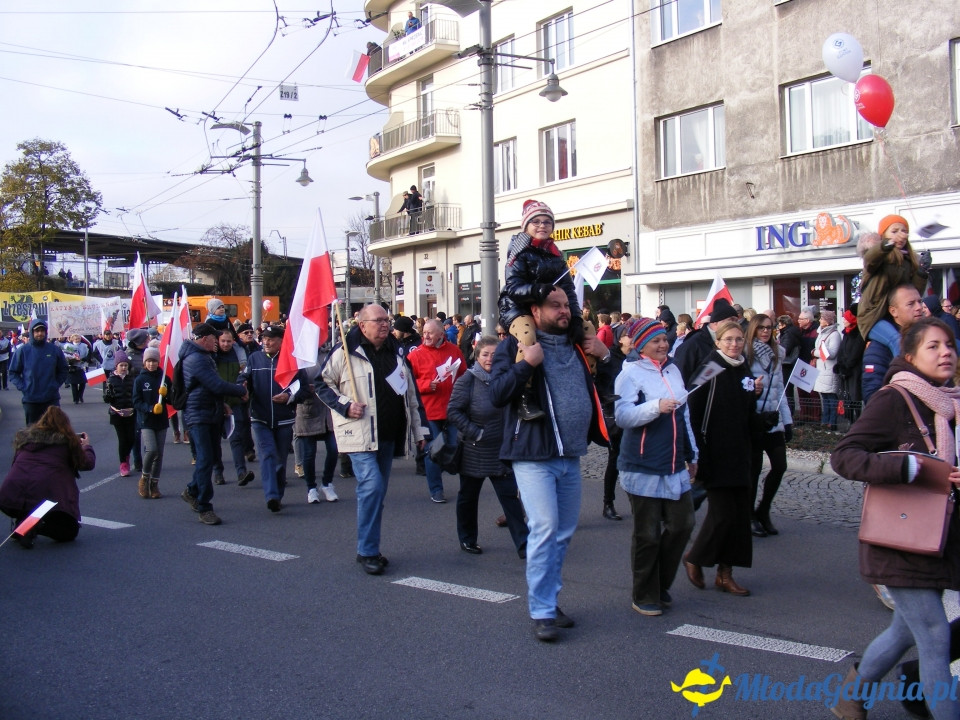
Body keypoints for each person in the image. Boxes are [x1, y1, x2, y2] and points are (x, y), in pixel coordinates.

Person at [829, 316, 960, 720]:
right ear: (909, 356)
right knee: (935, 639)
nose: (946, 353)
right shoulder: (894, 399)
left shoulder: (952, 402)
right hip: (901, 539)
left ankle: (852, 696)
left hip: (942, 537)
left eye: (950, 345)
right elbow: (845, 457)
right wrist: (906, 467)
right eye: (933, 346)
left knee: (905, 631)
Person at [489, 287, 609, 642]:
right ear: (534, 311)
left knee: (562, 534)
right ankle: (541, 610)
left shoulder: (577, 343)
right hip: (532, 454)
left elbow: (615, 383)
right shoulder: (515, 345)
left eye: (565, 305)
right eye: (553, 306)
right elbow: (497, 394)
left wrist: (606, 356)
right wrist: (527, 363)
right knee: (544, 528)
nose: (563, 311)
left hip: (571, 455)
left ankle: (550, 601)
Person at [318, 304, 427, 575]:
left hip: (389, 433)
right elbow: (322, 384)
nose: (384, 325)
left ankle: (368, 548)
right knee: (372, 486)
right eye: (377, 320)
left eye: (386, 320)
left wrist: (420, 433)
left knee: (377, 494)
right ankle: (367, 551)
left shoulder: (397, 351)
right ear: (361, 324)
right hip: (360, 433)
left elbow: (410, 394)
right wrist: (344, 405)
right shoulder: (345, 350)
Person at [614, 318, 697, 616]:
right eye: (656, 341)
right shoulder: (630, 374)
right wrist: (655, 407)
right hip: (642, 463)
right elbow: (622, 417)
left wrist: (693, 454)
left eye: (664, 339)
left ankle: (660, 582)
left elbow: (684, 415)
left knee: (683, 524)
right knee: (647, 533)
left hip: (674, 461)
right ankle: (644, 592)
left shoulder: (673, 369)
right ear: (640, 344)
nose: (663, 344)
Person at [683, 320, 761, 597]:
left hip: (741, 450)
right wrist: (696, 453)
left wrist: (762, 420)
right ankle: (695, 556)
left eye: (739, 339)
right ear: (717, 342)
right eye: (728, 339)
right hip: (714, 452)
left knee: (739, 516)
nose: (734, 344)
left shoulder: (743, 367)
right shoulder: (709, 368)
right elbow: (692, 412)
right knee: (722, 514)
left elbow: (746, 410)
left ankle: (725, 573)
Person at [497, 199, 583, 422]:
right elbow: (513, 287)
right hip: (517, 308)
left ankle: (597, 384)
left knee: (586, 328)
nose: (542, 225)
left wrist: (575, 316)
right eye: (536, 221)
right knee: (527, 335)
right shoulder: (519, 253)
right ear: (526, 225)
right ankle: (525, 396)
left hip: (548, 309)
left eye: (547, 221)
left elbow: (568, 290)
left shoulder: (556, 254)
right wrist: (537, 290)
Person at [447, 336, 529, 558]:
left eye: (495, 355)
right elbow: (453, 411)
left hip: (501, 450)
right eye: (486, 354)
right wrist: (476, 432)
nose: (490, 359)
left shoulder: (505, 378)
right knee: (468, 497)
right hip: (475, 449)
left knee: (510, 499)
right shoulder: (468, 380)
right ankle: (467, 539)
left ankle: (524, 544)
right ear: (477, 355)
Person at [179, 323, 249, 526]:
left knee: (208, 459)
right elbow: (215, 384)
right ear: (204, 339)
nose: (217, 342)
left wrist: (223, 403)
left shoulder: (204, 356)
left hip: (208, 411)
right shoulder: (196, 358)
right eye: (214, 338)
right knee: (205, 459)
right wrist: (239, 390)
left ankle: (192, 490)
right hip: (198, 414)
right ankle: (204, 506)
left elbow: (211, 387)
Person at [238, 325, 310, 513]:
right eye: (264, 339)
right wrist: (243, 390)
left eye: (271, 339)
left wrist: (289, 398)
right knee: (267, 454)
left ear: (281, 341)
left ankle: (278, 493)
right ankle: (271, 495)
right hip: (260, 418)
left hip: (284, 419)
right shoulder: (254, 358)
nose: (267, 342)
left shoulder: (292, 361)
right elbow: (243, 380)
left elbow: (304, 389)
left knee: (279, 459)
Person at [0, 407, 95, 548]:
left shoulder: (24, 439)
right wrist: (86, 447)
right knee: (69, 532)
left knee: (30, 499)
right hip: (45, 496)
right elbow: (87, 464)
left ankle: (23, 525)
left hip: (9, 495)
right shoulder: (67, 442)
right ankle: (35, 526)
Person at [407, 319, 466, 503]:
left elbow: (464, 375)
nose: (426, 336)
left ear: (441, 334)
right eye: (424, 332)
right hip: (428, 411)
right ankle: (436, 489)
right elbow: (406, 383)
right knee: (433, 451)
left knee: (453, 447)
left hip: (451, 409)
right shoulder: (415, 355)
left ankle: (441, 468)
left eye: (430, 333)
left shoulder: (454, 351)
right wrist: (426, 385)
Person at [744, 314, 792, 538]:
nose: (765, 331)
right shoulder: (746, 353)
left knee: (780, 465)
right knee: (753, 471)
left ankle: (763, 510)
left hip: (773, 419)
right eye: (761, 328)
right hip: (754, 420)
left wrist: (787, 421)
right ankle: (749, 515)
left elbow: (781, 389)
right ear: (753, 329)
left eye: (769, 328)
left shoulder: (777, 354)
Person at [857, 215, 930, 347]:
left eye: (904, 231)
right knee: (898, 342)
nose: (900, 235)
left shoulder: (909, 259)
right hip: (874, 316)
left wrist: (921, 271)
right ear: (884, 235)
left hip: (898, 316)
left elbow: (912, 293)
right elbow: (870, 261)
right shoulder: (879, 255)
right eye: (894, 231)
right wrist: (886, 245)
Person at [595, 317, 640, 521]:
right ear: (620, 339)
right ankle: (608, 503)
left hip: (634, 415)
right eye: (629, 335)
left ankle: (639, 501)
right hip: (613, 416)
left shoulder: (638, 358)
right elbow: (602, 385)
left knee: (634, 460)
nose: (632, 339)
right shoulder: (609, 358)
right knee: (615, 460)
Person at [862, 284, 925, 405]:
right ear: (893, 311)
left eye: (920, 302)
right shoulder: (878, 348)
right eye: (911, 304)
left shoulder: (927, 337)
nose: (919, 307)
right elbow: (872, 396)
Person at [294, 358, 339, 504]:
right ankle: (311, 488)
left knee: (333, 449)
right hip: (308, 410)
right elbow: (290, 383)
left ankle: (327, 483)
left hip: (327, 409)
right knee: (309, 453)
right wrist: (305, 388)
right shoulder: (299, 356)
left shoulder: (328, 353)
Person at [9, 319, 69, 425]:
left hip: (51, 399)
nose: (40, 333)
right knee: (33, 433)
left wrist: (55, 384)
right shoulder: (22, 351)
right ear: (32, 332)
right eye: (37, 331)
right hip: (31, 400)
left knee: (54, 431)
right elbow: (13, 373)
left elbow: (63, 369)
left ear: (46, 332)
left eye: (42, 330)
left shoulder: (54, 350)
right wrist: (24, 387)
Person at [215, 330, 254, 486]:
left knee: (236, 438)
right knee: (214, 441)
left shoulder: (239, 355)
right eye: (223, 341)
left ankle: (241, 472)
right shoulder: (213, 357)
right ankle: (218, 472)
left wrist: (244, 389)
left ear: (233, 342)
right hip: (216, 403)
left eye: (228, 341)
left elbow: (244, 376)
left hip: (235, 402)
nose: (225, 344)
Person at [674, 299, 740, 385]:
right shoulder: (692, 345)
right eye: (731, 320)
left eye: (736, 320)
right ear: (716, 322)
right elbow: (680, 379)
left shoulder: (737, 344)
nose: (735, 324)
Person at [132, 347, 168, 499]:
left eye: (154, 361)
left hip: (161, 421)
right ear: (144, 362)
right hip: (146, 420)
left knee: (159, 454)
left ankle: (154, 484)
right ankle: (144, 477)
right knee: (151, 449)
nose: (152, 364)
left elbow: (172, 398)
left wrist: (166, 393)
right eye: (149, 361)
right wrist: (150, 408)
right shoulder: (140, 379)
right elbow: (136, 401)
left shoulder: (164, 377)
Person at [104, 351, 136, 477]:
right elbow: (106, 399)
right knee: (122, 439)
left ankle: (126, 455)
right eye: (121, 365)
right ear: (116, 366)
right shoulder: (111, 379)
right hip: (117, 413)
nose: (123, 368)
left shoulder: (132, 379)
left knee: (131, 438)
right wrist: (108, 395)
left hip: (131, 412)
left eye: (125, 365)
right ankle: (123, 463)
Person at [834, 308, 866, 424]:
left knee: (855, 396)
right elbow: (842, 351)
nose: (843, 321)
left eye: (845, 318)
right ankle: (849, 420)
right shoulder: (846, 334)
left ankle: (858, 420)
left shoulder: (858, 335)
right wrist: (840, 364)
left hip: (854, 371)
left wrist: (847, 366)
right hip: (845, 371)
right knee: (846, 396)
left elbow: (856, 353)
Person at [814, 310, 842, 430]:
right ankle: (825, 420)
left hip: (829, 369)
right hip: (822, 368)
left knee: (831, 397)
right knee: (824, 396)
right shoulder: (821, 333)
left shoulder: (834, 334)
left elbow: (831, 354)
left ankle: (832, 422)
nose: (820, 320)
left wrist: (814, 353)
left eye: (822, 318)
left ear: (827, 320)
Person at [62, 332, 90, 404]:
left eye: (78, 338)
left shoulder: (84, 346)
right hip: (73, 367)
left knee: (83, 383)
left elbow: (88, 355)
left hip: (82, 366)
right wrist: (71, 360)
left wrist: (85, 359)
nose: (77, 340)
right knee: (74, 384)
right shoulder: (68, 346)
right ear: (72, 339)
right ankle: (75, 399)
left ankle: (80, 396)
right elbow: (66, 355)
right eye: (75, 339)